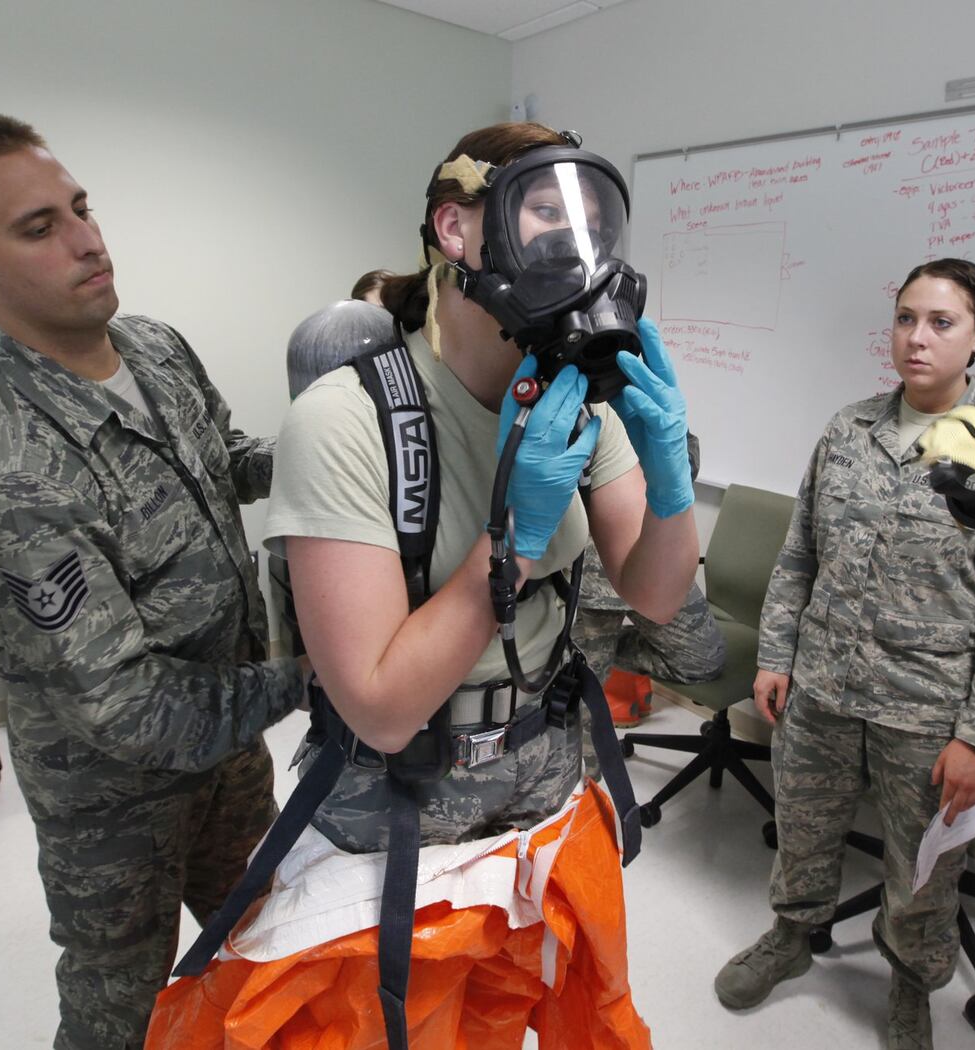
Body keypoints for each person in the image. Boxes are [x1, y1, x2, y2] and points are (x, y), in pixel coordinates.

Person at [148, 122, 698, 1048]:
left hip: (545, 793)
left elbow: (654, 595)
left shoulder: (579, 399)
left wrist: (670, 478)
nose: (577, 241)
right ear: (455, 230)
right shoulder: (348, 422)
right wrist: (515, 544)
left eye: (592, 218)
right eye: (543, 211)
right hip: (401, 815)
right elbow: (381, 708)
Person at [0, 111, 305, 1050]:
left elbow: (224, 463)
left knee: (268, 946)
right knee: (120, 1005)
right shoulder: (12, 475)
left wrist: (327, 446)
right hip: (118, 803)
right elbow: (136, 715)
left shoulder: (152, 347)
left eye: (81, 207)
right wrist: (321, 680)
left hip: (229, 741)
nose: (87, 240)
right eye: (39, 227)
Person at [715, 259, 975, 1049]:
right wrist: (776, 655)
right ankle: (792, 937)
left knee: (925, 872)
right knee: (802, 828)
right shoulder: (849, 428)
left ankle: (911, 986)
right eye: (906, 318)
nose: (917, 338)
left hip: (930, 713)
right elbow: (801, 552)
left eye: (941, 322)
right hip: (823, 691)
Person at [570, 432, 726, 729]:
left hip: (654, 560)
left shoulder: (642, 393)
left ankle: (601, 655)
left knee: (703, 657)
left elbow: (685, 458)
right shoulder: (566, 398)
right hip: (587, 571)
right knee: (582, 705)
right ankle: (589, 774)